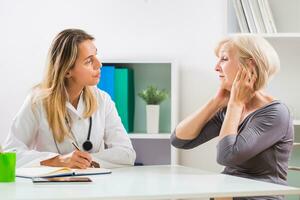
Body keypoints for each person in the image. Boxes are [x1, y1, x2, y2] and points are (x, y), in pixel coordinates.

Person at [171, 35, 294, 200]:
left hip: (260, 197)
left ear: (249, 65)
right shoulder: (231, 108)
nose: (216, 67)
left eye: (224, 59)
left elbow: (226, 157)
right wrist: (216, 102)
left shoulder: (276, 113)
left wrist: (235, 103)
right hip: (228, 193)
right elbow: (179, 140)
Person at [3, 29, 136, 169]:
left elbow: (127, 154)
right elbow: (10, 153)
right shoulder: (37, 101)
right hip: (50, 188)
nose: (99, 64)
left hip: (95, 187)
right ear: (67, 71)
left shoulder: (102, 100)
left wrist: (83, 160)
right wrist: (57, 161)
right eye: (89, 61)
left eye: (96, 56)